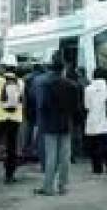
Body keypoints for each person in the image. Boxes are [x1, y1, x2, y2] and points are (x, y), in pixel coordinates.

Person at [34, 54, 82, 196]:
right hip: (66, 124)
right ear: (63, 69)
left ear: (51, 69)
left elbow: (43, 106)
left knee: (51, 157)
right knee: (65, 157)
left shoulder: (47, 85)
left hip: (50, 124)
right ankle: (63, 186)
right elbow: (76, 107)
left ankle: (49, 187)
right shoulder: (73, 86)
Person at [0, 54, 24, 184]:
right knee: (11, 147)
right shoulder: (21, 82)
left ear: (3, 67)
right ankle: (9, 176)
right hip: (14, 118)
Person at [84, 67, 107, 174]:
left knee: (95, 147)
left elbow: (87, 106)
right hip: (106, 122)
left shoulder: (88, 89)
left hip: (93, 122)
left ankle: (97, 169)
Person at [22, 63, 44, 161]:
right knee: (39, 129)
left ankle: (26, 149)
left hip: (28, 107)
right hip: (38, 107)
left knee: (29, 128)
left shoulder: (26, 78)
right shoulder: (41, 79)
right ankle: (36, 149)